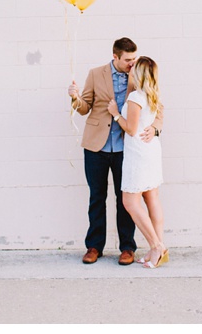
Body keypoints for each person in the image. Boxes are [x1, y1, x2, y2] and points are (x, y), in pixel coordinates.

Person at [68, 38, 163, 265]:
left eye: (134, 58)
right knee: (96, 197)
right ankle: (94, 246)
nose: (133, 63)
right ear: (116, 57)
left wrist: (155, 128)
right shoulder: (95, 74)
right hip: (96, 146)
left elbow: (157, 107)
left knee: (126, 200)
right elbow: (84, 108)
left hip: (127, 149)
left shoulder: (138, 75)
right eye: (128, 60)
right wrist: (74, 98)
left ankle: (127, 248)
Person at [107, 56, 168, 269]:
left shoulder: (135, 97)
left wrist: (115, 114)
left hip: (138, 154)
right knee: (152, 198)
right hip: (151, 150)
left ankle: (156, 246)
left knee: (130, 202)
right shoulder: (152, 94)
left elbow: (131, 129)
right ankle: (159, 250)